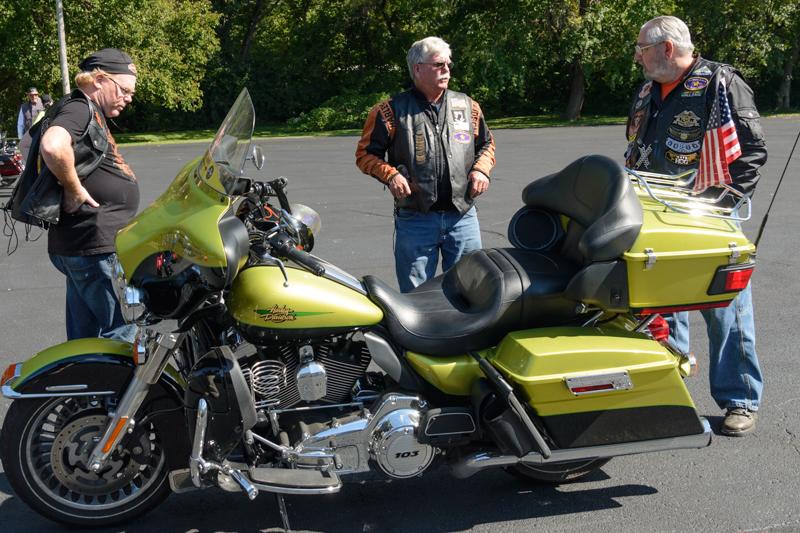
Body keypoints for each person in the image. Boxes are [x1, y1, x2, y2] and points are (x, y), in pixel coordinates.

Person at [625, 16, 767, 436]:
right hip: (655, 214)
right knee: (662, 307)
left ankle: (740, 399)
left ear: (666, 49)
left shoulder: (720, 83)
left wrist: (719, 208)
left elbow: (751, 150)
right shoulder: (648, 90)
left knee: (726, 309)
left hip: (707, 215)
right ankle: (669, 397)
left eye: (642, 49)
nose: (638, 57)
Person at [356, 36, 496, 292]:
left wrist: (481, 170)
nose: (446, 70)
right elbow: (365, 154)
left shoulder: (468, 106)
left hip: (462, 216)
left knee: (470, 291)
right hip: (416, 219)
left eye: (448, 64)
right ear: (418, 68)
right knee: (416, 296)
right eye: (439, 64)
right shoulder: (389, 111)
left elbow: (486, 145)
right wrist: (390, 175)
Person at [39, 48, 140, 342]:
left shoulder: (77, 108)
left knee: (85, 340)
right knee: (123, 335)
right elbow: (52, 146)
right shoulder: (80, 109)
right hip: (93, 247)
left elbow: (26, 143)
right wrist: (73, 187)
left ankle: (84, 373)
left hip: (83, 246)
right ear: (99, 80)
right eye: (124, 90)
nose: (128, 98)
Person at [19, 94, 53, 161]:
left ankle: (31, 165)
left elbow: (33, 128)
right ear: (52, 101)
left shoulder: (42, 113)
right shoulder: (59, 110)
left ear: (42, 104)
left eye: (35, 95)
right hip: (49, 140)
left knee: (22, 145)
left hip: (40, 139)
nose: (33, 97)